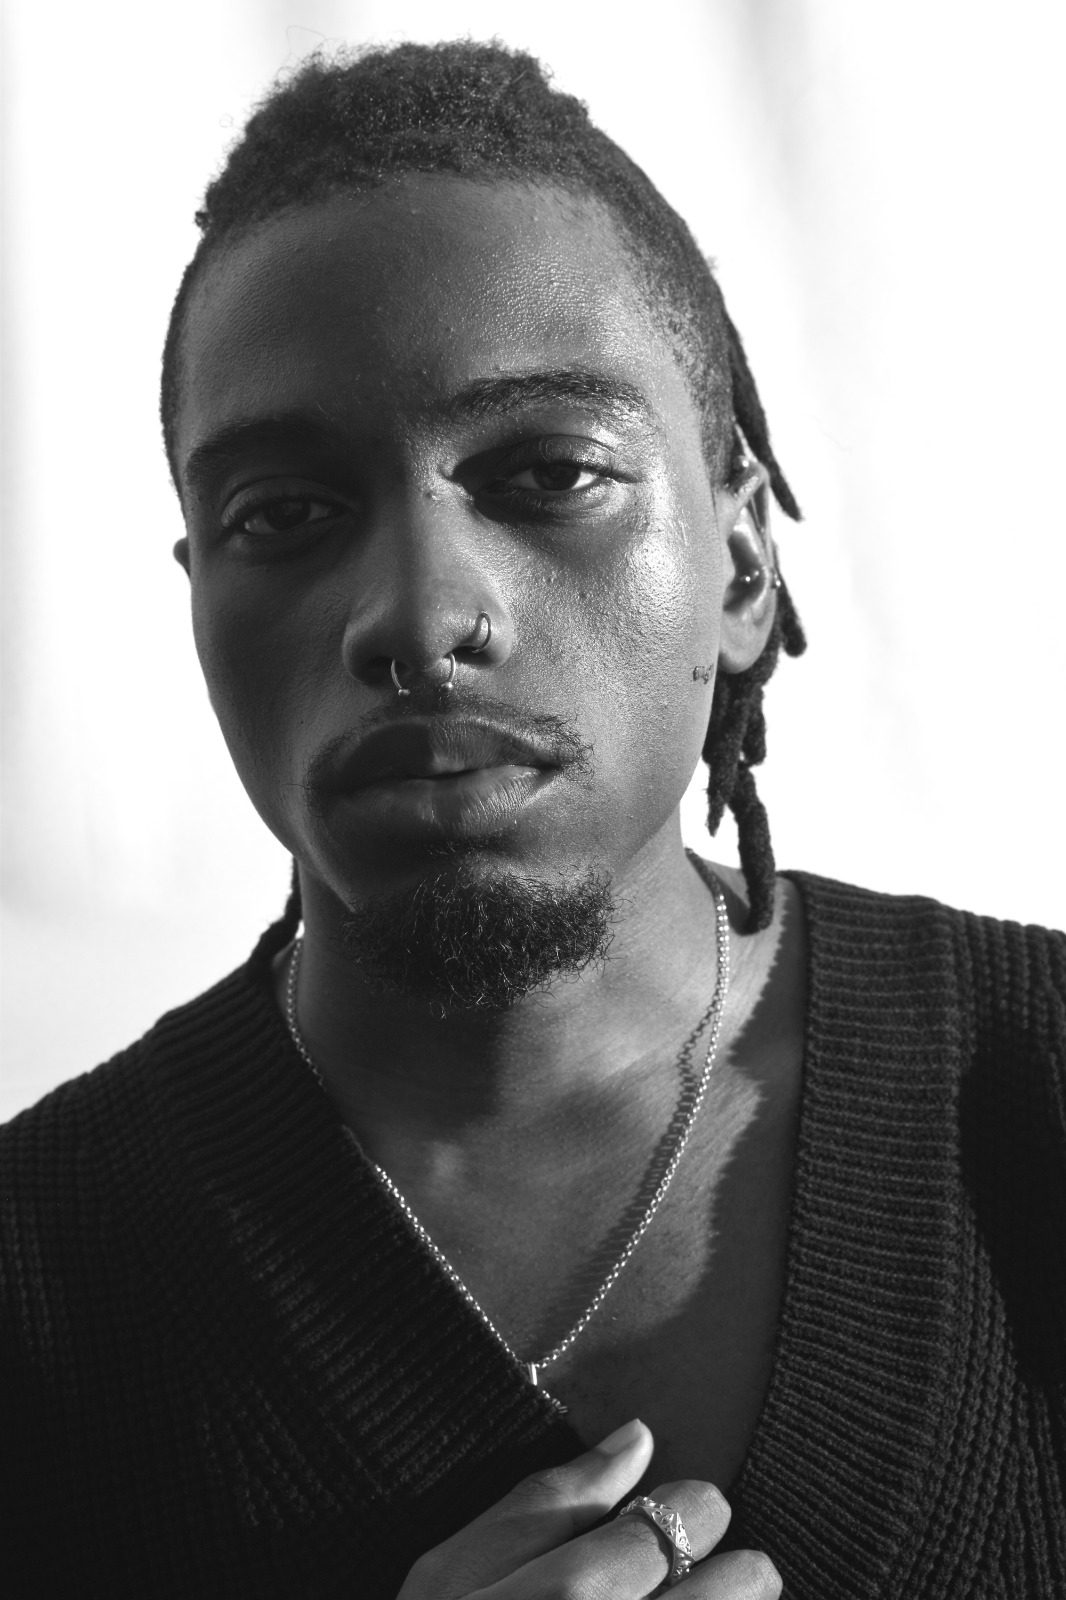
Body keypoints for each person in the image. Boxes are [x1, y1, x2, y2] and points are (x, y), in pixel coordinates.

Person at [2, 37, 1063, 1600]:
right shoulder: (39, 1279)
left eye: (547, 473)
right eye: (283, 514)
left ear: (744, 567)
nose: (418, 616)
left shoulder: (1036, 1078)